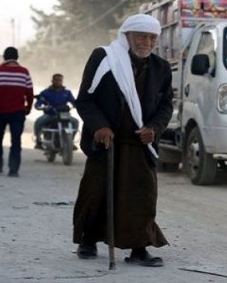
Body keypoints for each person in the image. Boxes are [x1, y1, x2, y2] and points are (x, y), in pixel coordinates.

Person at [72, 14, 173, 267]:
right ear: (127, 36)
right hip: (107, 142)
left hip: (139, 144)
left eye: (152, 38)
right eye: (141, 36)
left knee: (142, 195)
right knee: (96, 192)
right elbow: (85, 99)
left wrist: (154, 128)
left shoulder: (161, 67)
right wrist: (100, 127)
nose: (147, 42)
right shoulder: (104, 58)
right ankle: (88, 240)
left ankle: (139, 248)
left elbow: (166, 106)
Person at [0, 47, 34, 177]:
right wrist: (28, 108)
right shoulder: (24, 72)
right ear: (17, 57)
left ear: (4, 57)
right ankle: (13, 170)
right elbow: (29, 93)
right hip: (18, 112)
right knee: (16, 141)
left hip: (0, 112)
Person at [33, 73, 79, 149]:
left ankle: (70, 142)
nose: (58, 82)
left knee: (75, 122)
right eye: (56, 80)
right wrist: (43, 107)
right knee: (38, 122)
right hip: (50, 115)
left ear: (62, 81)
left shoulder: (67, 92)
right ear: (52, 80)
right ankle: (38, 141)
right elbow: (38, 104)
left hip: (64, 115)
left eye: (60, 80)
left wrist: (76, 105)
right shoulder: (45, 92)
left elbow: (74, 102)